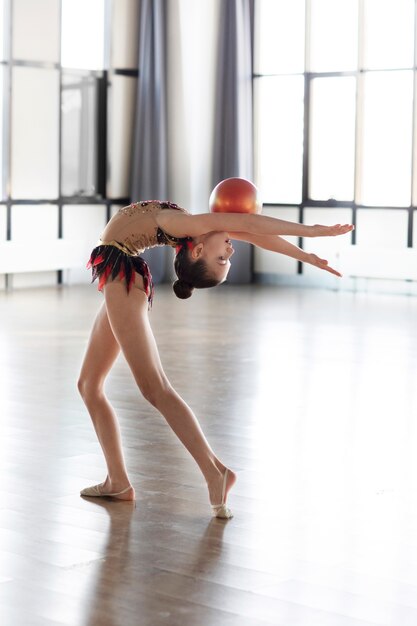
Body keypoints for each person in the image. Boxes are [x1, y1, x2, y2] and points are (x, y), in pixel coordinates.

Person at [78, 199, 354, 518]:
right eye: (226, 258)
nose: (231, 252)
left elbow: (250, 226)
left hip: (122, 276)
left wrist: (311, 232)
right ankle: (118, 481)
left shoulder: (188, 228)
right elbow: (252, 233)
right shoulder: (194, 230)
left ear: (196, 252)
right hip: (121, 273)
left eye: (222, 258)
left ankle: (214, 472)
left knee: (155, 387)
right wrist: (306, 252)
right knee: (89, 384)